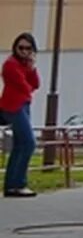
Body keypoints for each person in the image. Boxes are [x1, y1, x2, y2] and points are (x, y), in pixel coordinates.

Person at [1, 33, 40, 198]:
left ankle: (12, 186)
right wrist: (28, 86)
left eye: (28, 48)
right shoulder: (10, 64)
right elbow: (24, 86)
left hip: (23, 105)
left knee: (20, 144)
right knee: (29, 142)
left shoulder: (26, 65)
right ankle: (19, 183)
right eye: (21, 48)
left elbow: (36, 84)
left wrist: (32, 68)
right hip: (12, 106)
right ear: (15, 48)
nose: (24, 51)